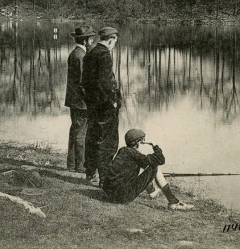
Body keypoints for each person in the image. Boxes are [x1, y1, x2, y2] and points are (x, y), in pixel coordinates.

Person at [103, 128, 194, 210]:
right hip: (121, 198)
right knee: (154, 167)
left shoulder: (123, 150)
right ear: (138, 142)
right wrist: (154, 145)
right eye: (142, 141)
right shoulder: (135, 155)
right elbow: (161, 159)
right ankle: (173, 202)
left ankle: (152, 192)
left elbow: (141, 165)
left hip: (109, 194)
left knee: (144, 166)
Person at [82, 26, 122, 187]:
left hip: (92, 104)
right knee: (108, 142)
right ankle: (104, 178)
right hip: (105, 106)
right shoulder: (104, 55)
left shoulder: (90, 52)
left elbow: (86, 81)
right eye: (114, 42)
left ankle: (91, 173)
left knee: (92, 137)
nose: (114, 45)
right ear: (111, 39)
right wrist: (113, 100)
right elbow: (105, 82)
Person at [64, 25, 96, 173]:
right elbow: (84, 83)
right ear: (85, 40)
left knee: (75, 132)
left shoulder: (75, 54)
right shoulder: (81, 56)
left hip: (74, 101)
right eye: (91, 38)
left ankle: (72, 165)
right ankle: (80, 166)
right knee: (81, 134)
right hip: (81, 103)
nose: (93, 40)